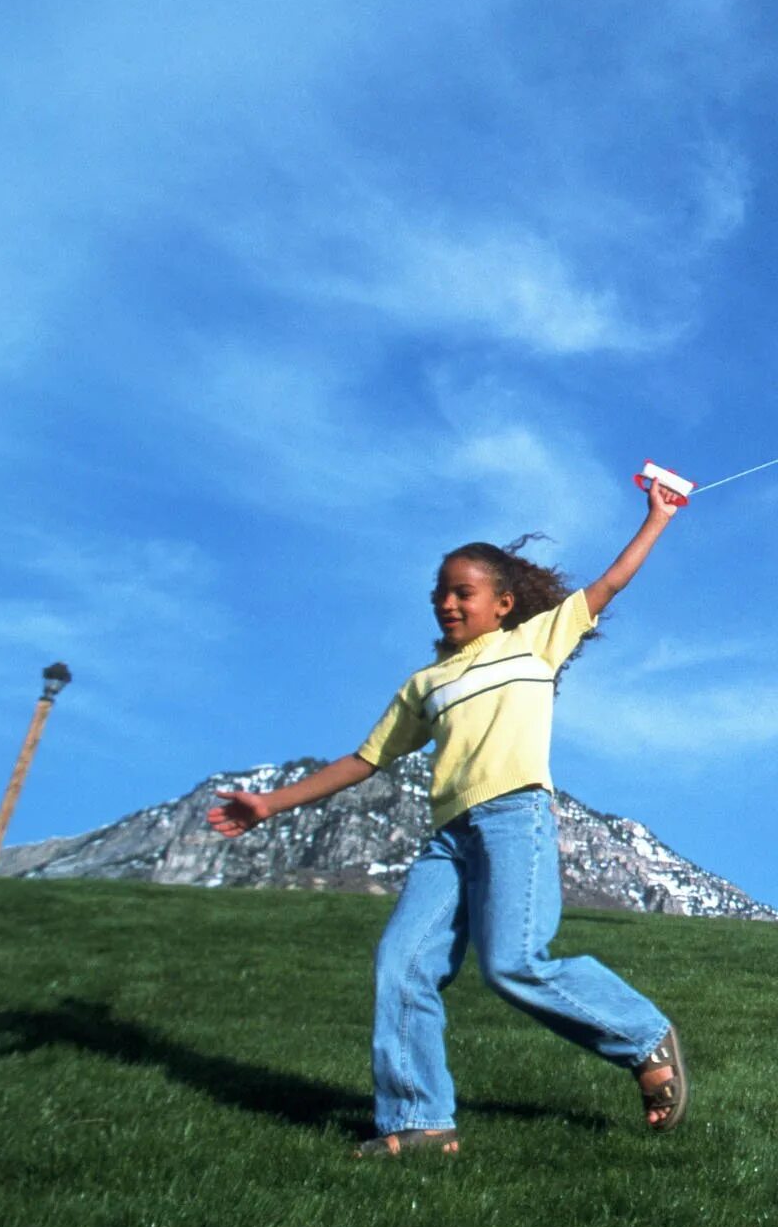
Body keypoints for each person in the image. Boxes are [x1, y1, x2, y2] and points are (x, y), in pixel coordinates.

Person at [206, 480, 689, 1156]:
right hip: (450, 840)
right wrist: (269, 803)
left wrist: (658, 516)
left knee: (513, 963)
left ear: (503, 603)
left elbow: (610, 582)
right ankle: (420, 1122)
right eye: (441, 590)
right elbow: (363, 759)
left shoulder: (535, 642)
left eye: (463, 591)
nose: (448, 601)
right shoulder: (423, 685)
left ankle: (642, 1035)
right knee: (401, 961)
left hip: (514, 816)